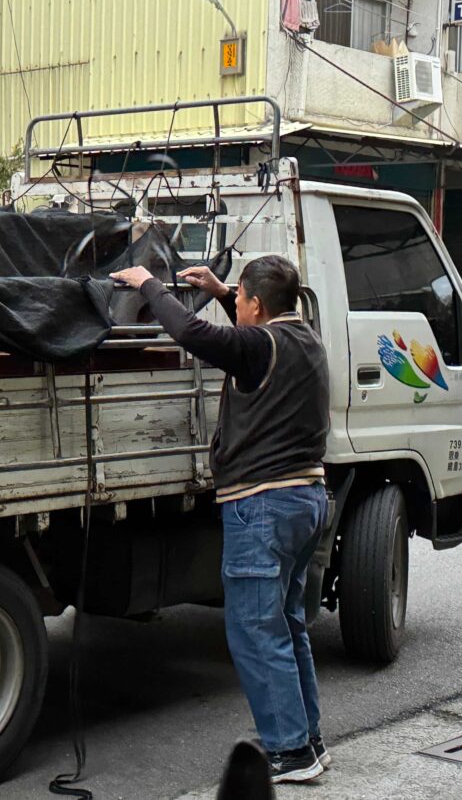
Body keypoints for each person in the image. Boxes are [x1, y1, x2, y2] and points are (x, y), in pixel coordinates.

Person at [109, 255, 331, 785]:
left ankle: (289, 752)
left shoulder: (257, 347)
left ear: (255, 304)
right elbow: (248, 335)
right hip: (308, 497)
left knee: (256, 632)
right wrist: (222, 289)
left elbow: (190, 331)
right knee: (287, 625)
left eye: (241, 301)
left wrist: (148, 285)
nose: (240, 308)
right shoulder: (308, 340)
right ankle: (306, 741)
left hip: (263, 505)